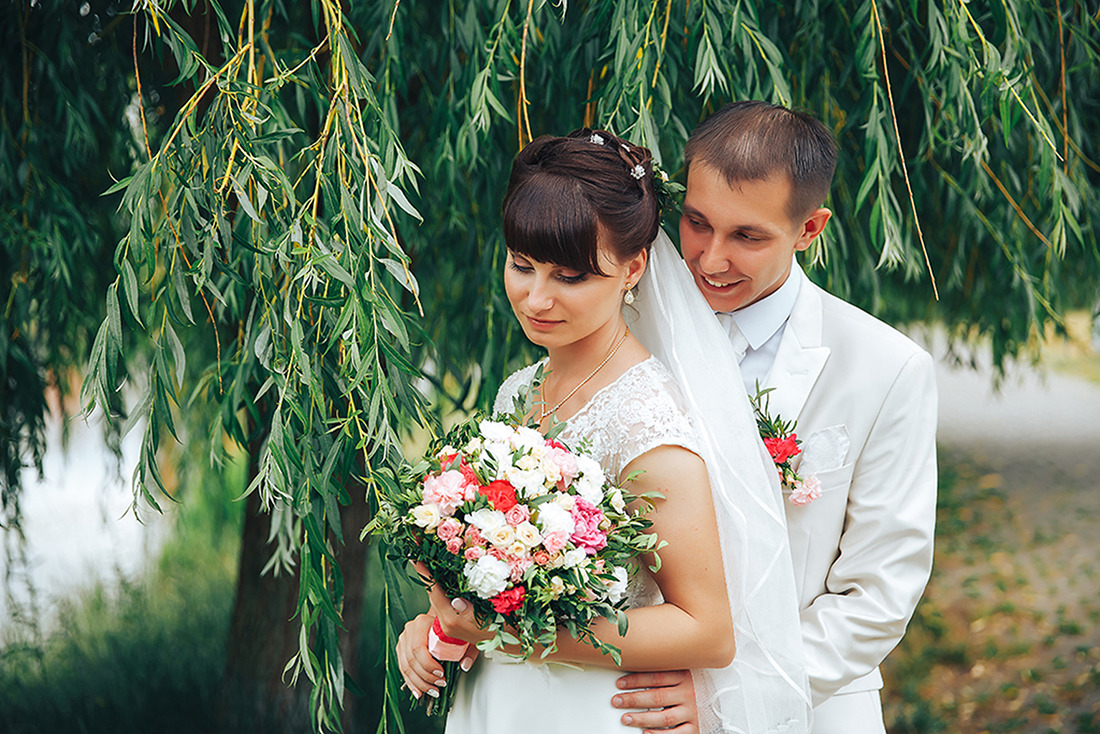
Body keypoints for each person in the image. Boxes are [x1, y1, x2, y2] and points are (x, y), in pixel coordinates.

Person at [396, 128, 812, 733]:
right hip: (498, 701)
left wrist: (509, 630)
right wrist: (437, 620)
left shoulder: (646, 422)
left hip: (588, 711)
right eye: (521, 265)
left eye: (569, 277)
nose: (536, 298)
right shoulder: (520, 390)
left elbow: (708, 630)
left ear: (632, 268)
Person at [611, 102, 938, 734]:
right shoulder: (618, 334)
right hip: (632, 702)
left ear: (809, 229)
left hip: (805, 711)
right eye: (697, 223)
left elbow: (878, 592)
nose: (708, 260)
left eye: (748, 237)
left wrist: (732, 695)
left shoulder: (886, 368)